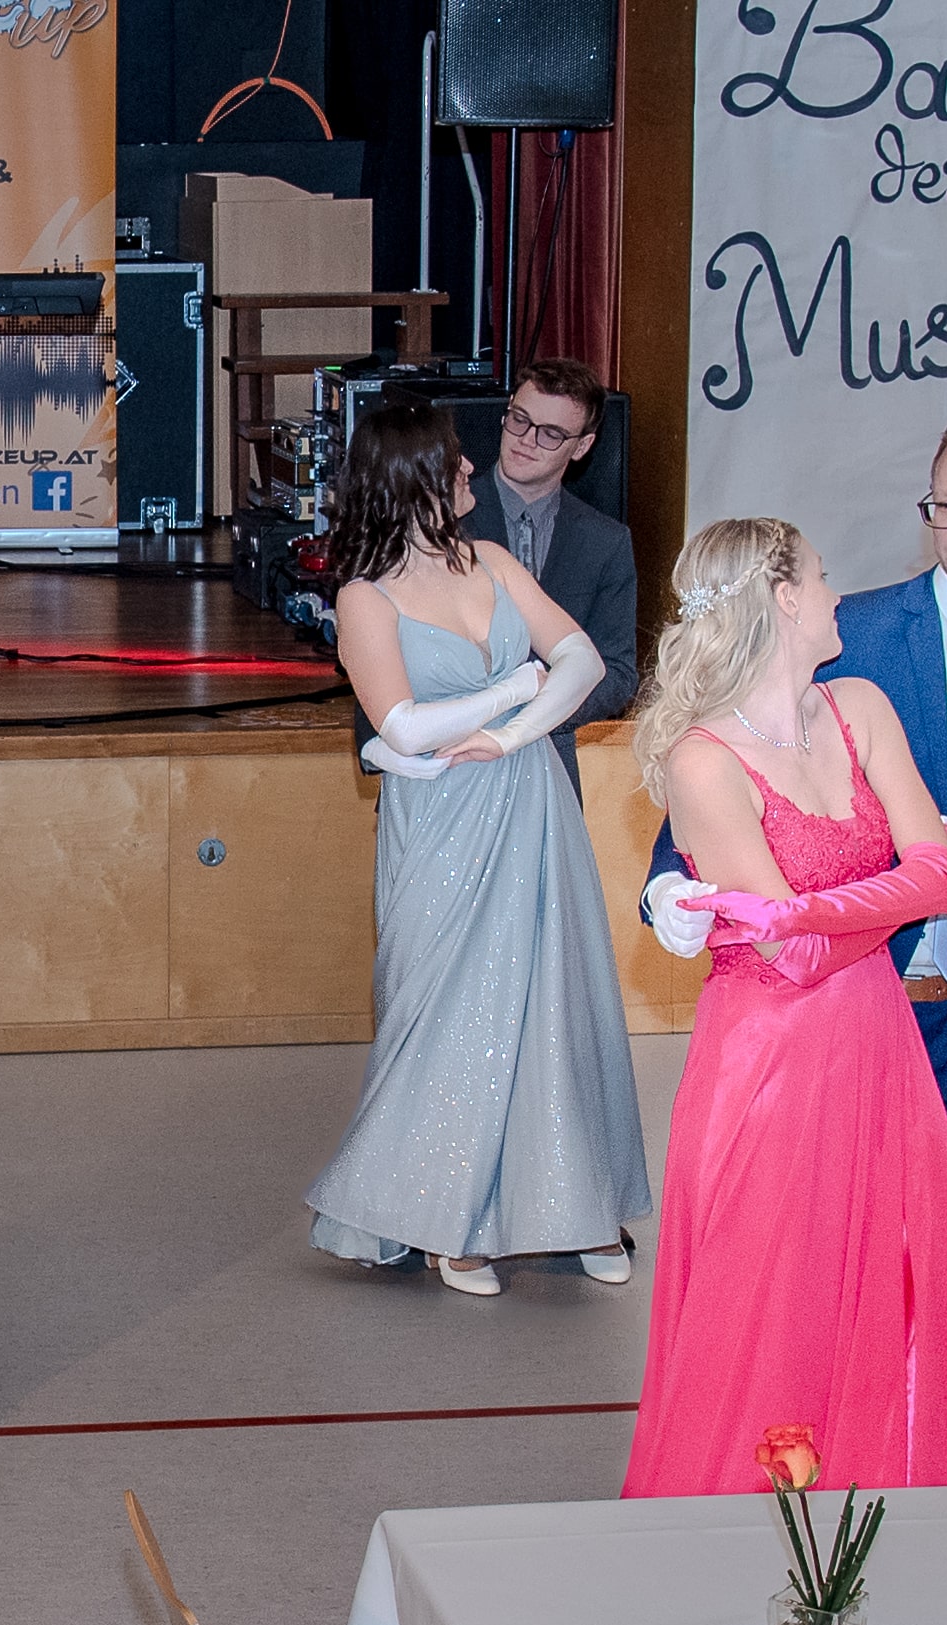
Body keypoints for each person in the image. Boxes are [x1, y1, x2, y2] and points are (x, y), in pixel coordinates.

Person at [620, 518, 947, 1594]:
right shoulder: (700, 757)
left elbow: (938, 877)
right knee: (771, 1311)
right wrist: (848, 907)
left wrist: (806, 911)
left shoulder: (860, 705)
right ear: (782, 598)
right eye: (822, 576)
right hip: (769, 1070)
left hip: (876, 1047)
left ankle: (886, 1550)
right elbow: (806, 944)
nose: (838, 593)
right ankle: (742, 1575)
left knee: (905, 1297)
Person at [645, 414, 947, 1215]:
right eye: (944, 506)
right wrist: (665, 885)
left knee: (936, 1261)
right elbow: (722, 780)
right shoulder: (845, 636)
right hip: (829, 1014)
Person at [309, 399, 649, 1296]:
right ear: (414, 478)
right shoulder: (363, 596)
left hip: (530, 799)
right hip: (440, 820)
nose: (471, 471)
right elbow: (402, 726)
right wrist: (514, 692)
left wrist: (508, 734)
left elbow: (582, 662)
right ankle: (445, 1221)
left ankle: (574, 1204)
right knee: (448, 1015)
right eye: (454, 462)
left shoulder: (493, 560)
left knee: (553, 1003)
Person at [457, 358, 641, 797]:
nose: (526, 440)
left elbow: (618, 671)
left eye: (551, 434)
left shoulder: (606, 541)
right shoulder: (444, 516)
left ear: (582, 446)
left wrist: (535, 715)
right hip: (451, 756)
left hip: (550, 768)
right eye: (519, 419)